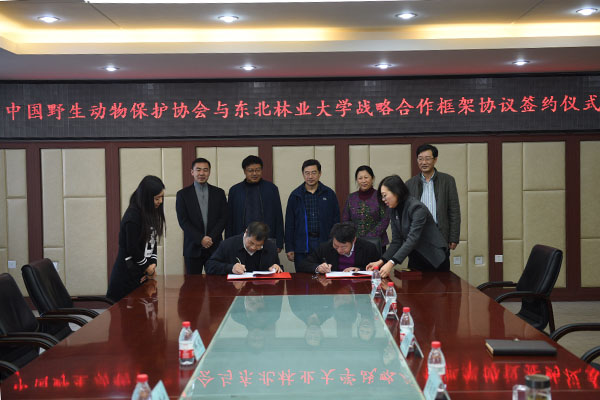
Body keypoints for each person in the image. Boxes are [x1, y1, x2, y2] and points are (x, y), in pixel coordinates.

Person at [367, 175, 449, 278]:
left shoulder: (417, 208)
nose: (383, 199)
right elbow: (397, 241)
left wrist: (391, 262)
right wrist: (381, 261)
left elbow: (412, 239)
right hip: (416, 259)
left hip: (434, 258)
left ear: (396, 191)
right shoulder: (393, 210)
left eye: (384, 195)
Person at [107, 175, 165, 302]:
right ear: (146, 198)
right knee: (129, 313)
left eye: (162, 197)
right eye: (157, 198)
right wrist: (147, 268)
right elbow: (132, 248)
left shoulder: (149, 212)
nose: (160, 201)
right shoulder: (132, 217)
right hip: (126, 276)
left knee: (146, 310)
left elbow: (152, 241)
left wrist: (152, 263)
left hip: (141, 273)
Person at [285, 159, 340, 270]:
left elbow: (336, 221)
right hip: (302, 245)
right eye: (307, 173)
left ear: (320, 174)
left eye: (314, 173)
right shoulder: (295, 195)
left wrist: (336, 243)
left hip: (325, 243)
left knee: (326, 275)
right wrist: (289, 247)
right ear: (303, 174)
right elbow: (289, 224)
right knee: (303, 276)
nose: (310, 176)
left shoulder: (329, 194)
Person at [176, 157, 227, 274]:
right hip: (192, 247)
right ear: (192, 172)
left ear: (209, 172)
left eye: (205, 170)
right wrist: (200, 239)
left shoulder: (219, 193)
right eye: (198, 170)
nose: (202, 173)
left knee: (216, 283)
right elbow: (183, 221)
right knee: (193, 283)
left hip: (215, 246)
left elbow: (223, 218)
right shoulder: (183, 194)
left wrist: (210, 238)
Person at [405, 144, 461, 251]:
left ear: (435, 160)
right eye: (420, 159)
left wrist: (454, 237)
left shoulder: (448, 181)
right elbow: (406, 213)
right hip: (418, 235)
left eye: (427, 159)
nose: (424, 162)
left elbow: (454, 211)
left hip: (440, 234)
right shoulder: (409, 184)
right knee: (417, 262)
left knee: (441, 261)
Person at [226, 155, 284, 252]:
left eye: (257, 170)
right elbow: (230, 220)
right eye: (250, 170)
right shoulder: (235, 191)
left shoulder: (271, 189)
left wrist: (279, 242)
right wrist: (228, 242)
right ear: (244, 171)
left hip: (267, 239)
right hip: (241, 240)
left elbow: (278, 216)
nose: (254, 173)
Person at [298, 222, 380, 274]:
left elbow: (378, 269)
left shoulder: (368, 248)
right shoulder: (325, 247)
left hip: (360, 289)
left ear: (353, 240)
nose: (339, 250)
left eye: (343, 247)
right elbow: (303, 265)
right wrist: (318, 268)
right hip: (332, 287)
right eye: (336, 246)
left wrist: (360, 270)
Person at [342, 165, 390, 252]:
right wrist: (353, 235)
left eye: (366, 177)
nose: (363, 181)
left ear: (372, 178)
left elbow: (385, 219)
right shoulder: (351, 198)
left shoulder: (380, 196)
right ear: (357, 180)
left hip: (377, 243)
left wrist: (370, 237)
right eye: (360, 178)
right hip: (355, 243)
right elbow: (345, 219)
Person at [206, 221, 282, 275]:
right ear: (246, 233)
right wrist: (231, 268)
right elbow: (210, 266)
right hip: (235, 289)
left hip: (262, 290)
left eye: (258, 245)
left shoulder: (271, 247)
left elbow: (278, 267)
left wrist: (276, 268)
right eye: (251, 243)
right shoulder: (228, 244)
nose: (253, 247)